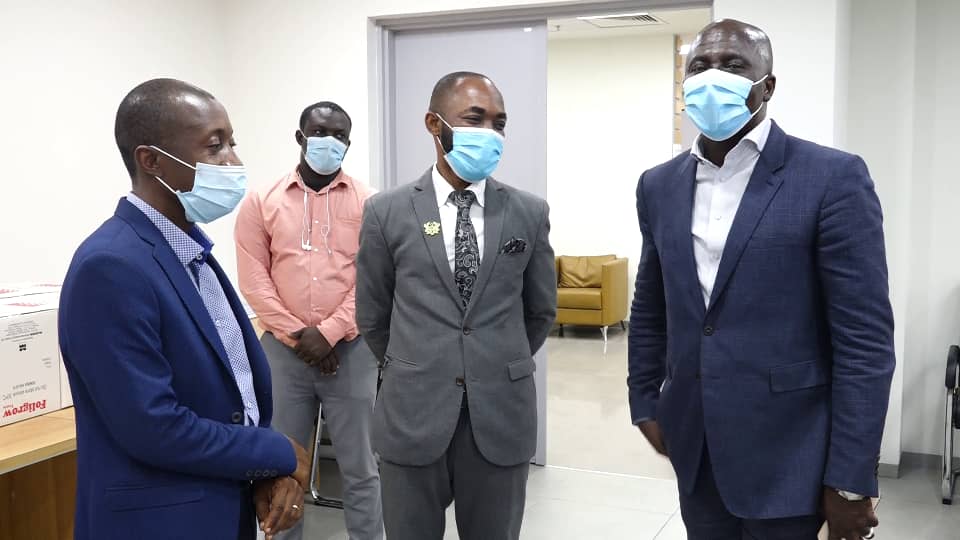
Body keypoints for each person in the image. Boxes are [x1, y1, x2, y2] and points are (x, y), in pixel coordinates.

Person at [628, 20, 895, 540]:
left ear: (766, 86)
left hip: (792, 456)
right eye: (700, 66)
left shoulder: (831, 177)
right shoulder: (658, 185)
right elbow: (650, 305)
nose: (713, 77)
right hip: (696, 449)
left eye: (733, 65)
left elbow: (864, 343)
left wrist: (851, 480)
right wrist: (644, 400)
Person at [58, 78, 311, 540]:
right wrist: (274, 451)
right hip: (157, 523)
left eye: (232, 143)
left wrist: (262, 471)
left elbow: (231, 393)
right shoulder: (110, 267)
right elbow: (153, 426)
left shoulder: (191, 253)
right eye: (214, 146)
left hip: (219, 506)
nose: (233, 161)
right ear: (151, 160)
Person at [355, 71, 556, 540]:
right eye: (474, 119)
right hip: (412, 410)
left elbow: (540, 311)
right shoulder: (387, 211)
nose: (490, 132)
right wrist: (418, 362)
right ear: (435, 124)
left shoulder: (528, 212)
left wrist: (492, 358)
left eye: (499, 123)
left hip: (500, 413)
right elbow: (373, 313)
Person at [235, 101, 383, 540]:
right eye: (319, 132)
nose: (329, 141)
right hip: (283, 353)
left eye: (339, 135)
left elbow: (374, 278)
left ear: (349, 143)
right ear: (300, 137)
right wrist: (301, 337)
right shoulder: (261, 200)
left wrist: (331, 333)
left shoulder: (371, 203)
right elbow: (254, 279)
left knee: (361, 467)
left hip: (351, 351)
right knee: (280, 467)